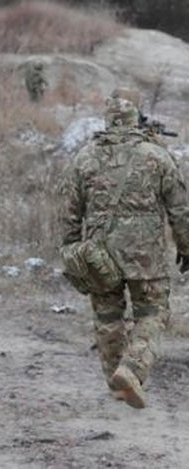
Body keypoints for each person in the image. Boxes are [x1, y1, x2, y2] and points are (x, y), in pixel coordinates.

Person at [58, 96, 189, 409]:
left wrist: (71, 248)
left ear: (107, 122)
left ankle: (116, 384)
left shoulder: (84, 158)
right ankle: (132, 369)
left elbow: (70, 212)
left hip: (100, 256)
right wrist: (186, 248)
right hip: (147, 258)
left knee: (107, 316)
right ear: (134, 121)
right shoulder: (157, 156)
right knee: (153, 312)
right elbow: (180, 210)